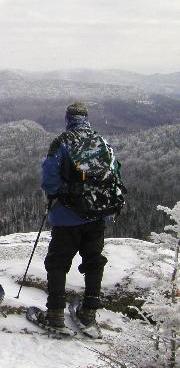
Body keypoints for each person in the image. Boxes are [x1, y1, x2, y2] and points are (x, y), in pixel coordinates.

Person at [39, 102, 117, 329]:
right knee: (93, 261)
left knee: (57, 262)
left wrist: (60, 195)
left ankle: (55, 314)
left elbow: (49, 179)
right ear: (86, 118)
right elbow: (114, 177)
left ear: (68, 118)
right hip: (98, 215)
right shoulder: (103, 143)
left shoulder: (62, 142)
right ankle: (89, 313)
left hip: (67, 216)